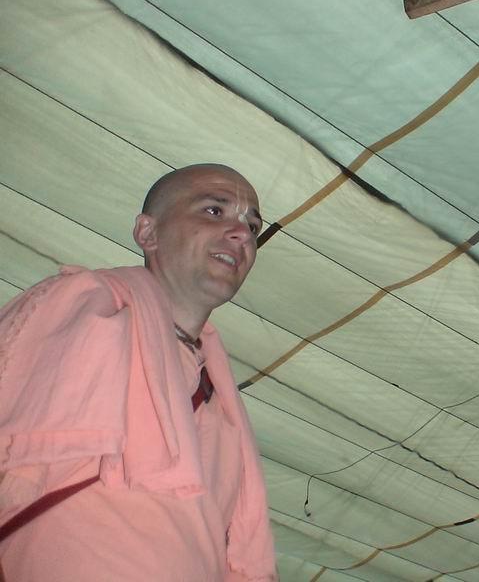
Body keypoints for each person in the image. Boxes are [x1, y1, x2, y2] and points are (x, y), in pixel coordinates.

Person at [0, 164, 277, 581]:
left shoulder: (224, 409)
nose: (243, 234)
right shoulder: (84, 310)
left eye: (253, 226)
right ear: (148, 233)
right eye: (214, 211)